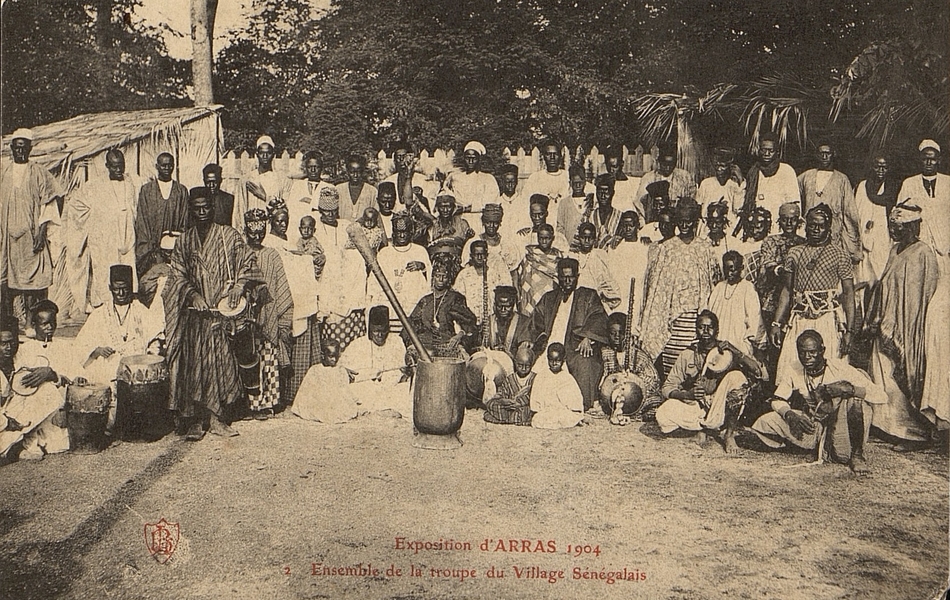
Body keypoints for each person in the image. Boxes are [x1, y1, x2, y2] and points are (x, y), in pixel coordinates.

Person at [162, 190, 263, 441]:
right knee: (194, 368)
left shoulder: (228, 235)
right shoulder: (184, 241)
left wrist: (239, 286)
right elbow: (177, 275)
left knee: (221, 365)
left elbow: (248, 261)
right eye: (197, 208)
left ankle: (218, 419)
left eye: (206, 207)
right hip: (195, 317)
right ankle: (196, 419)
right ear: (191, 210)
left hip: (220, 316)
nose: (202, 212)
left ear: (212, 207)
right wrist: (192, 295)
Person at [751, 330, 884, 474]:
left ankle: (857, 455)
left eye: (812, 352)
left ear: (822, 351)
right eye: (802, 352)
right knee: (766, 421)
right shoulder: (794, 368)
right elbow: (777, 400)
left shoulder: (840, 368)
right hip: (814, 423)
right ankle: (805, 446)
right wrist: (790, 415)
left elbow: (881, 396)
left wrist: (848, 389)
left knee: (855, 403)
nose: (807, 357)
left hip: (841, 424)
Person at [864, 203, 938, 446]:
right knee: (883, 373)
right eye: (893, 227)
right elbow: (885, 282)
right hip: (887, 320)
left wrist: (909, 324)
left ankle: (913, 433)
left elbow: (922, 294)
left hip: (910, 326)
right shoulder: (895, 249)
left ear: (913, 227)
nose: (895, 232)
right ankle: (887, 426)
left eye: (900, 227)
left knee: (905, 374)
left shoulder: (924, 252)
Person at [656, 310, 767, 454]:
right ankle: (703, 429)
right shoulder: (688, 354)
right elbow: (667, 387)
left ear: (717, 330)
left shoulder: (726, 351)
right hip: (697, 406)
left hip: (719, 407)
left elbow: (758, 372)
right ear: (696, 330)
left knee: (737, 377)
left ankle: (729, 434)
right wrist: (687, 394)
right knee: (663, 413)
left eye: (710, 327)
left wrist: (735, 351)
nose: (706, 331)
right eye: (701, 327)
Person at [770, 204, 855, 384]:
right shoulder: (794, 253)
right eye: (811, 225)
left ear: (828, 227)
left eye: (821, 225)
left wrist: (849, 331)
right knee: (792, 373)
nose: (816, 229)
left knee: (830, 376)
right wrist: (776, 323)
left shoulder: (839, 254)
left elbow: (848, 293)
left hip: (827, 322)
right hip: (800, 320)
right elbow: (787, 290)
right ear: (805, 225)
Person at [640, 198, 720, 376]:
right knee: (672, 368)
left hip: (696, 319)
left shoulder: (704, 247)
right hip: (672, 320)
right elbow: (657, 288)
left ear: (695, 222)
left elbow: (712, 280)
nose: (684, 225)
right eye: (681, 222)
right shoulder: (667, 248)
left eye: (689, 222)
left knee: (694, 364)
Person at [521, 257, 609, 412]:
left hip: (575, 346)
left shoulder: (588, 296)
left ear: (577, 277)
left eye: (571, 277)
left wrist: (588, 337)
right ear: (558, 278)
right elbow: (536, 320)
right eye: (563, 277)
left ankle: (579, 403)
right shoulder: (549, 297)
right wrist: (528, 339)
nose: (567, 281)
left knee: (585, 363)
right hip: (550, 344)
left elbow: (599, 317)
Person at [1, 128, 63, 327]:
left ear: (30, 149)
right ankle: (11, 323)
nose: (20, 152)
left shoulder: (39, 172)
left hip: (31, 238)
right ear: (11, 148)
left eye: (24, 148)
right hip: (8, 240)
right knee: (8, 282)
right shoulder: (4, 172)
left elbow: (50, 203)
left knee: (33, 283)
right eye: (17, 148)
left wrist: (41, 233)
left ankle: (30, 323)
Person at [65, 148, 138, 313]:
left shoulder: (130, 183)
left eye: (121, 166)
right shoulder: (95, 185)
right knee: (104, 273)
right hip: (104, 240)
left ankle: (126, 309)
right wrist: (91, 223)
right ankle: (104, 309)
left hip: (126, 237)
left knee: (127, 271)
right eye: (114, 166)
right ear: (107, 166)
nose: (119, 170)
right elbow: (75, 204)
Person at [74, 265, 163, 390]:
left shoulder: (142, 311)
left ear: (131, 288)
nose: (121, 293)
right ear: (110, 288)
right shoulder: (99, 314)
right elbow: (80, 345)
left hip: (136, 373)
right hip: (106, 372)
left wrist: (148, 355)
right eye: (116, 289)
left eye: (125, 289)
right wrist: (97, 350)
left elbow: (155, 340)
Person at [244, 209, 294, 418]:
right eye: (252, 233)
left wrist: (281, 320)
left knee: (268, 359)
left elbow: (281, 287)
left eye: (260, 232)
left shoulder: (272, 255)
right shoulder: (241, 253)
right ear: (246, 231)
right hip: (245, 316)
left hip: (269, 314)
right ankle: (250, 404)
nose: (256, 237)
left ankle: (268, 402)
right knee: (248, 360)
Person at [0, 316, 71, 460]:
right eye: (3, 344)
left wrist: (51, 374)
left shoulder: (22, 357)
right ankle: (16, 446)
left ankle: (18, 444)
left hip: (17, 413)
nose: (9, 347)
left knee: (48, 390)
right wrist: (6, 422)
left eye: (13, 342)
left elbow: (62, 380)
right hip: (3, 420)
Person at [312, 186, 367, 348]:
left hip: (349, 288)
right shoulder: (314, 228)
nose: (330, 215)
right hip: (326, 289)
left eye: (333, 211)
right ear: (320, 210)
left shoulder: (346, 226)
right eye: (325, 211)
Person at [339, 305, 411, 416]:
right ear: (370, 330)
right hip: (366, 387)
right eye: (376, 331)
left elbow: (402, 370)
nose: (380, 335)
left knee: (407, 389)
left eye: (383, 331)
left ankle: (376, 409)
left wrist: (404, 374)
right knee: (349, 391)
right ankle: (382, 408)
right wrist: (345, 371)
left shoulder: (396, 341)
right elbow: (342, 367)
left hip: (390, 387)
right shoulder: (359, 343)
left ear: (388, 329)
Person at [798, 143, 862, 264]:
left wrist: (854, 247)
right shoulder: (806, 176)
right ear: (816, 155)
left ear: (833, 155)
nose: (824, 157)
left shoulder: (842, 179)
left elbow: (849, 213)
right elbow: (795, 199)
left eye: (827, 153)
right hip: (808, 233)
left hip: (833, 234)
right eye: (821, 153)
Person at [405, 257, 477, 356]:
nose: (441, 279)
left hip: (447, 345)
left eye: (444, 276)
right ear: (433, 277)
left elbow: (469, 323)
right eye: (438, 276)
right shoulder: (425, 300)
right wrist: (412, 344)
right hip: (425, 346)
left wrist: (459, 336)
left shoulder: (455, 298)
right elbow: (411, 325)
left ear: (449, 279)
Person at [134, 152, 190, 274]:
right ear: (157, 166)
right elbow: (142, 222)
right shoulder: (147, 190)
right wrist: (151, 249)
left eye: (170, 165)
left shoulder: (181, 191)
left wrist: (175, 245)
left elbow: (184, 221)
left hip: (174, 250)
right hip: (151, 251)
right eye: (163, 165)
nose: (167, 169)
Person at [370, 214, 431, 317]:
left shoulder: (420, 251)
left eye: (405, 232)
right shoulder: (384, 253)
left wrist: (423, 267)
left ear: (411, 233)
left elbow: (430, 277)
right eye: (399, 233)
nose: (402, 236)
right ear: (393, 234)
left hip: (413, 302)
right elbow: (374, 279)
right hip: (388, 302)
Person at [706, 251, 765, 357]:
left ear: (741, 268)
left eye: (733, 270)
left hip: (738, 344)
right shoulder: (719, 287)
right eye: (726, 269)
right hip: (717, 343)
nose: (729, 274)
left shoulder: (748, 288)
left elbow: (754, 320)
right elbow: (710, 314)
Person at [898, 140, 950, 260]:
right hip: (919, 245)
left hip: (944, 247)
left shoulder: (948, 182)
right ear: (920, 160)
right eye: (925, 159)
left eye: (933, 159)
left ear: (939, 160)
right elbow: (900, 215)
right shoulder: (909, 183)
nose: (929, 162)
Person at [756, 202, 806, 328]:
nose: (789, 223)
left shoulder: (804, 243)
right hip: (773, 299)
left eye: (793, 220)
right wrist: (780, 270)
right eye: (785, 220)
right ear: (779, 221)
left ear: (798, 222)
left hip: (798, 301)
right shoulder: (770, 241)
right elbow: (766, 263)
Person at [854, 155, 899, 290]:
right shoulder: (862, 186)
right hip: (863, 240)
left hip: (883, 241)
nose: (880, 170)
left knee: (881, 279)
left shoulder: (892, 189)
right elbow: (855, 213)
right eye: (877, 166)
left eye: (884, 167)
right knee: (862, 280)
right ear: (871, 167)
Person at [739, 132, 801, 227]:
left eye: (770, 151)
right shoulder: (754, 172)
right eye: (763, 150)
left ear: (777, 152)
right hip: (758, 226)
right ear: (759, 151)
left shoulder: (786, 171)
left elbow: (794, 204)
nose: (766, 154)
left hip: (779, 225)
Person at [290, 340, 359, 424]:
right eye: (331, 356)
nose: (334, 359)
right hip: (318, 400)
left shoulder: (340, 370)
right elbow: (306, 391)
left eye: (337, 356)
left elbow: (344, 389)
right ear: (322, 355)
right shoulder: (315, 370)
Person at [455, 240, 511, 334]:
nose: (480, 257)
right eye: (476, 254)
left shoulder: (495, 274)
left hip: (491, 322)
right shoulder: (464, 275)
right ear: (471, 256)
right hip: (469, 323)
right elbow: (458, 299)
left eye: (482, 254)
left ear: (487, 255)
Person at [605, 211, 649, 325]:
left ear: (637, 226)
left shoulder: (645, 246)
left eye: (631, 225)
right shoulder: (615, 247)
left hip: (637, 296)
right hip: (619, 296)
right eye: (625, 225)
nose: (628, 229)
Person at [634, 144, 697, 223]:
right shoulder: (648, 178)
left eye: (671, 165)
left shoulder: (684, 177)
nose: (668, 168)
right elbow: (639, 202)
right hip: (654, 221)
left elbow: (691, 199)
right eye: (664, 164)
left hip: (679, 222)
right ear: (659, 162)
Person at [530, 342, 586, 429]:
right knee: (539, 419)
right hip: (546, 411)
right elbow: (536, 397)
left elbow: (574, 400)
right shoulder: (541, 376)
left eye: (557, 360)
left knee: (566, 417)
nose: (554, 363)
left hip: (562, 410)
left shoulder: (567, 378)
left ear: (563, 360)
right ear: (547, 359)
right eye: (551, 360)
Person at [284, 151, 334, 246]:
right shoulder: (297, 186)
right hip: (301, 232)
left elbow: (329, 211)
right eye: (310, 167)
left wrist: (310, 202)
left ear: (321, 169)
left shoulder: (329, 188)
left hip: (321, 231)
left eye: (316, 167)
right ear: (306, 168)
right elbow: (292, 209)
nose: (313, 170)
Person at [237, 135, 291, 220]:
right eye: (262, 153)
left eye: (268, 153)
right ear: (257, 155)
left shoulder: (283, 180)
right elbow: (239, 210)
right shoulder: (246, 179)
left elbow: (286, 209)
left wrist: (264, 196)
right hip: (252, 228)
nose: (265, 156)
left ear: (273, 155)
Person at [571, 222, 621, 312]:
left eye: (590, 238)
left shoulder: (599, 255)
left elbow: (607, 279)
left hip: (594, 300)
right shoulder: (572, 255)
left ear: (594, 239)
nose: (586, 241)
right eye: (583, 237)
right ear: (579, 238)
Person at [517, 223, 564, 318]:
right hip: (530, 296)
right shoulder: (530, 254)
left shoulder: (558, 256)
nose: (544, 241)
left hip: (549, 295)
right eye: (541, 238)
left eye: (547, 238)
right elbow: (521, 274)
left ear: (553, 238)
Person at [463, 203, 521, 278]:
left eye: (495, 223)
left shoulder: (507, 244)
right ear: (483, 222)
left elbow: (513, 272)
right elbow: (466, 271)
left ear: (500, 223)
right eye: (488, 222)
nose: (491, 226)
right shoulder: (473, 242)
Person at [483, 345, 536, 426]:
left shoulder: (534, 378)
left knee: (528, 411)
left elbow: (535, 396)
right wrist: (504, 401)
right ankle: (513, 419)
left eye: (527, 366)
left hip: (523, 407)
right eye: (520, 365)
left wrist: (519, 403)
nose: (523, 368)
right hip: (509, 407)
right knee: (491, 404)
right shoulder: (510, 378)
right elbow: (503, 392)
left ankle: (506, 419)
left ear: (532, 364)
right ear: (515, 363)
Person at [445, 141, 499, 213]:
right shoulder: (456, 177)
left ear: (479, 159)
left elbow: (490, 203)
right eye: (468, 158)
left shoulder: (488, 179)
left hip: (479, 219)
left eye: (474, 158)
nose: (470, 161)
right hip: (459, 218)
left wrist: (467, 209)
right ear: (464, 159)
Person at [522, 139, 569, 211]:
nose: (552, 157)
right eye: (548, 154)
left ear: (560, 156)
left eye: (555, 154)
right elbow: (525, 202)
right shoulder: (535, 178)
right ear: (543, 156)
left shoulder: (567, 177)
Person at [697, 147, 744, 218]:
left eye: (723, 166)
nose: (719, 169)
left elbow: (738, 209)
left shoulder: (735, 185)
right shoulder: (706, 183)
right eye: (717, 165)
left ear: (730, 167)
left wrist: (740, 181)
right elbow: (698, 206)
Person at [557, 164, 594, 246]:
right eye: (575, 183)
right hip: (569, 248)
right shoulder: (564, 203)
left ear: (585, 182)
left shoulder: (592, 201)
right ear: (570, 183)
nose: (578, 186)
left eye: (580, 183)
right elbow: (560, 228)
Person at [190, 163, 235, 228]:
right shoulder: (197, 198)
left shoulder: (228, 199)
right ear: (204, 181)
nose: (211, 185)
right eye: (208, 182)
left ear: (220, 180)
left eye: (215, 182)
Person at [602, 144, 640, 215]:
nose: (611, 170)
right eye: (608, 167)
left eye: (615, 167)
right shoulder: (603, 184)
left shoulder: (634, 184)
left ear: (621, 164)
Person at [336, 155, 377, 222]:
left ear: (363, 171)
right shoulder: (338, 189)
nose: (355, 175)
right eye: (352, 172)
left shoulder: (372, 191)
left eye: (359, 172)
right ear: (347, 171)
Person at [495, 164, 530, 237]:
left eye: (513, 181)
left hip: (520, 239)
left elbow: (528, 223)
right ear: (502, 182)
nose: (510, 185)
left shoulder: (524, 201)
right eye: (507, 182)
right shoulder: (497, 201)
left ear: (517, 182)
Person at [590, 174, 622, 247]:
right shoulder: (589, 216)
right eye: (600, 193)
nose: (603, 196)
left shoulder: (620, 217)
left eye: (606, 193)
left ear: (612, 193)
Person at [296, 215, 327, 280]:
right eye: (304, 228)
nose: (306, 231)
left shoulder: (313, 241)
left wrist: (295, 252)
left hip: (315, 269)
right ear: (300, 229)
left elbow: (306, 254)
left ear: (314, 230)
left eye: (309, 228)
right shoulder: (300, 240)